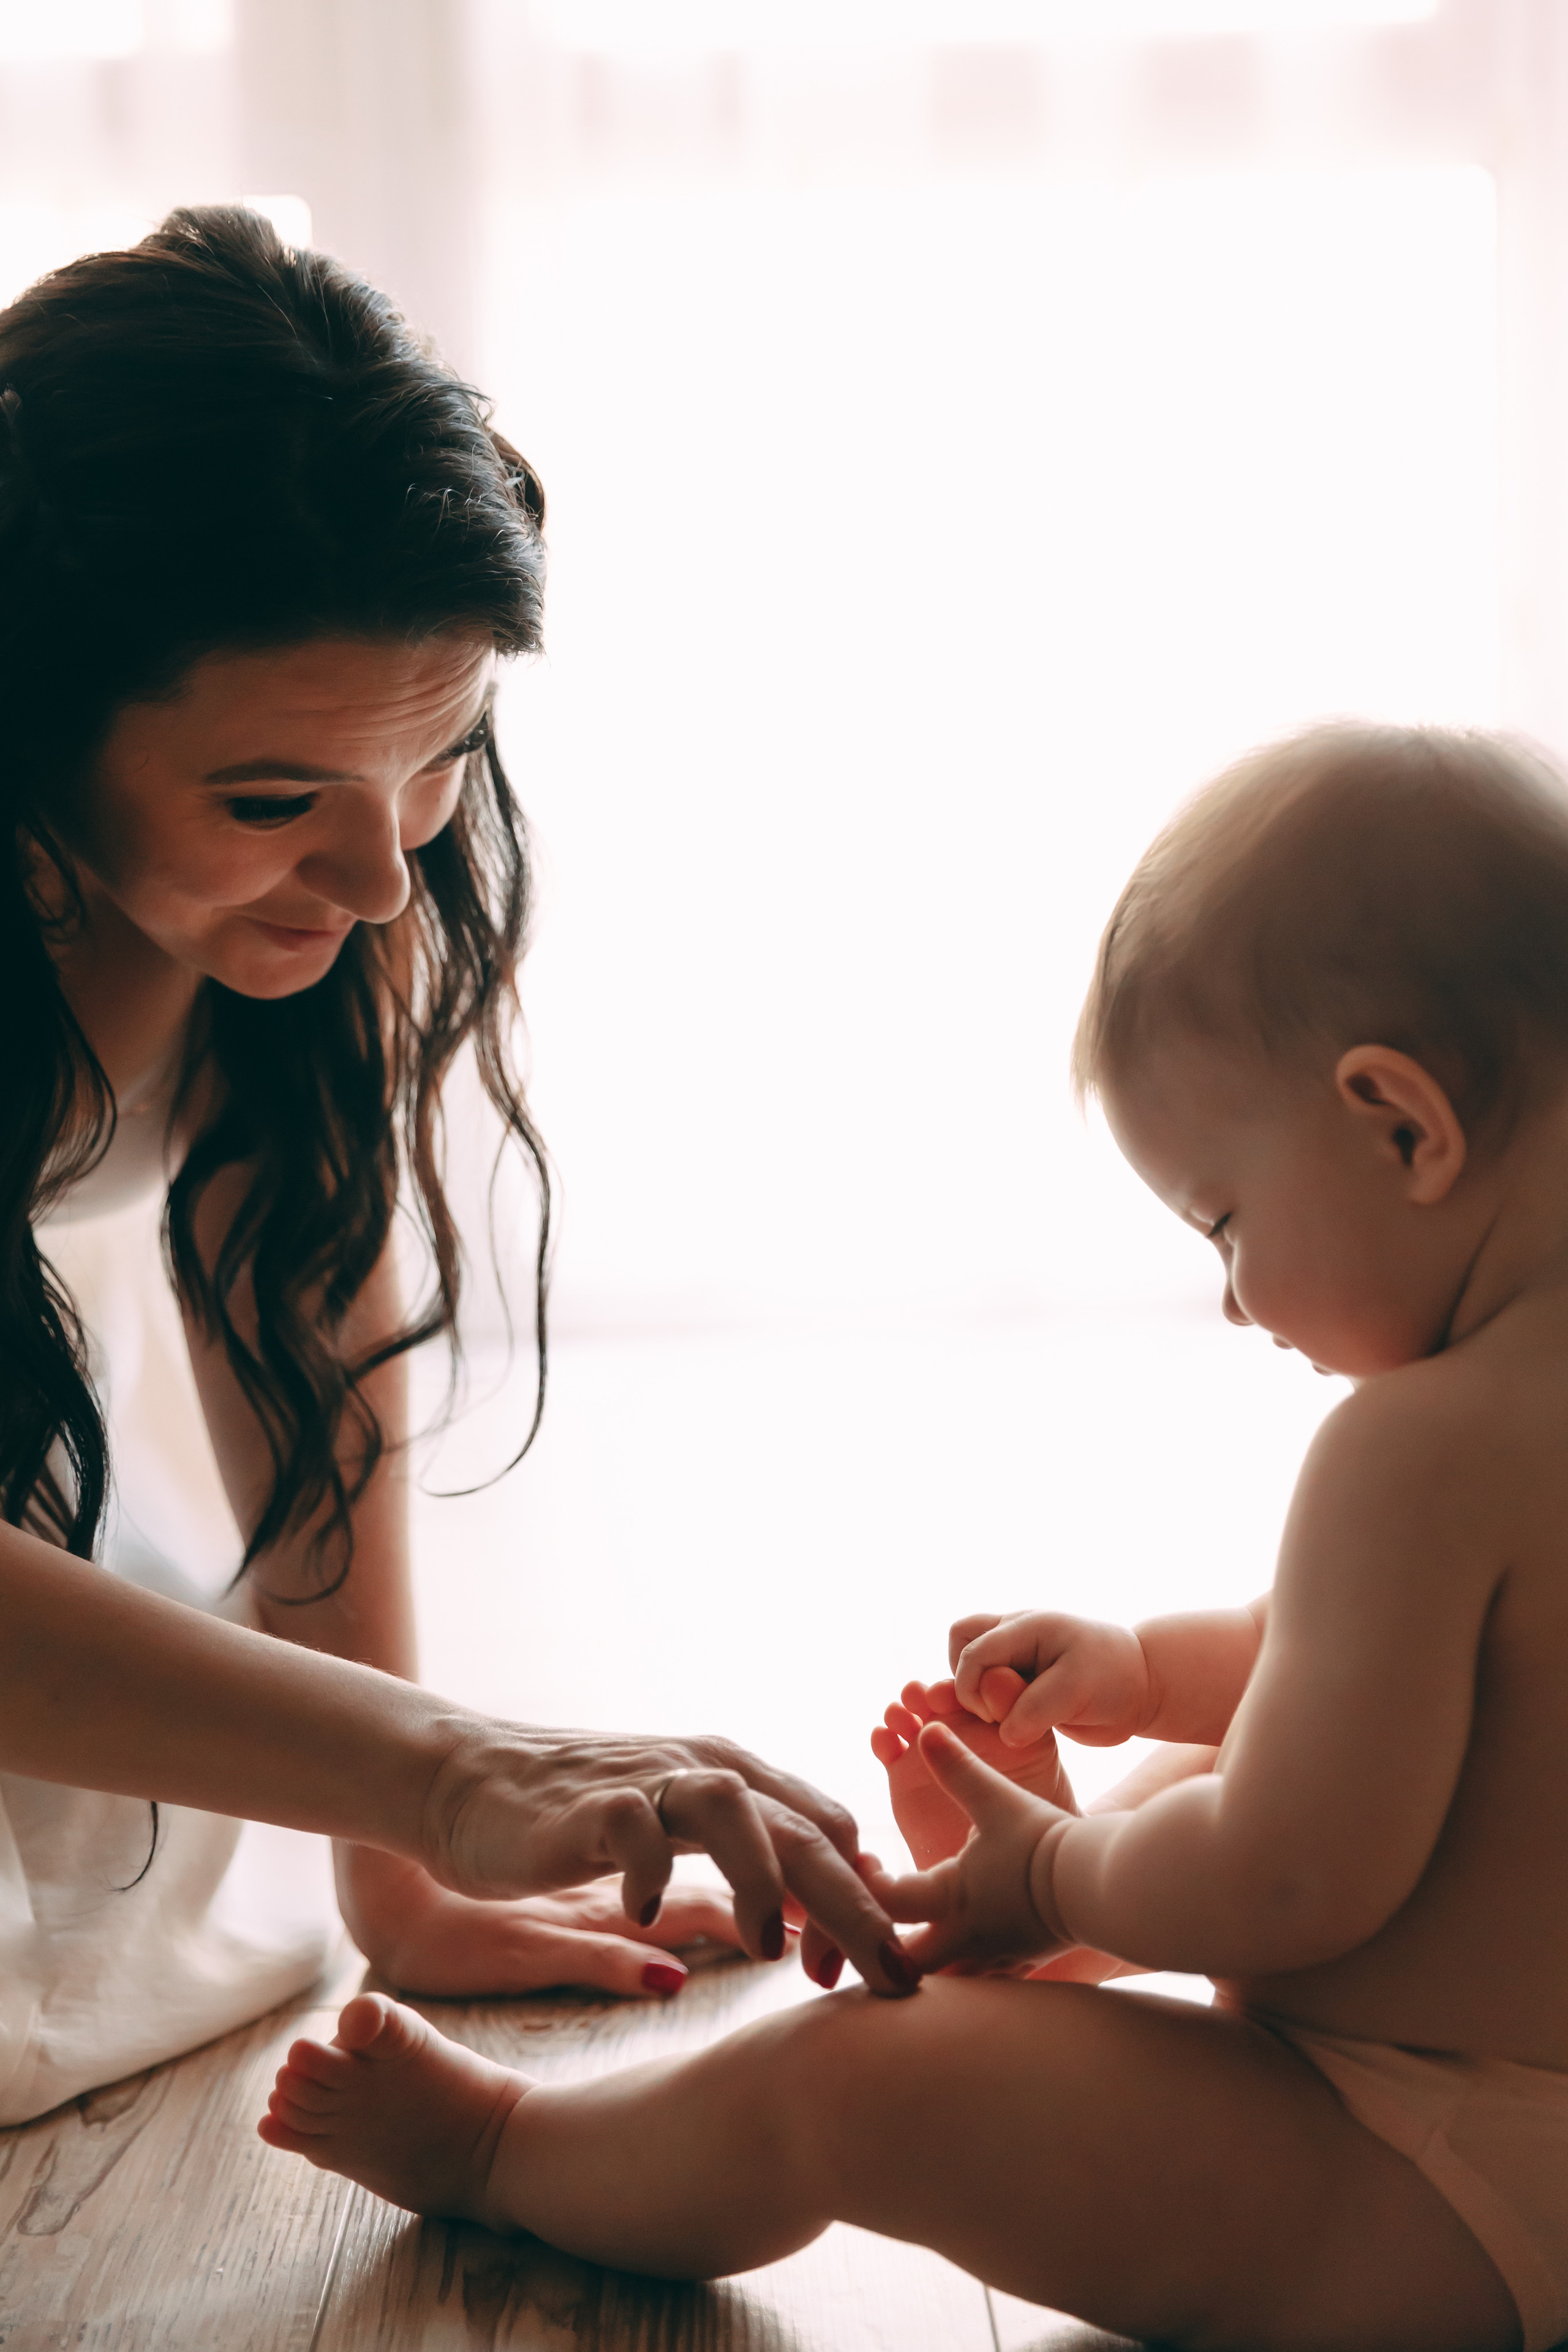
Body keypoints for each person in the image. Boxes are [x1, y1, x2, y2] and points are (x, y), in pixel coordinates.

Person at [264, 722, 1568, 2352]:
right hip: (1513, 2124)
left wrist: (1066, 1870)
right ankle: (1021, 1925)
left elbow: (1295, 1878)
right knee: (1256, 1747)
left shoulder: (1414, 1450)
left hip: (1423, 2176)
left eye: (1226, 1221)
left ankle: (509, 2153)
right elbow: (1400, 1672)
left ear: (1402, 1127)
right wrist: (1147, 1672)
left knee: (859, 2076)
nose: (1235, 1300)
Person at [0, 205, 915, 2130]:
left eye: (439, 757)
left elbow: (298, 1268)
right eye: (274, 801)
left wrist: (400, 1874)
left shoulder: (344, 866)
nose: (379, 879)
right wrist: (447, 1766)